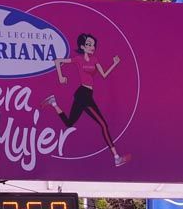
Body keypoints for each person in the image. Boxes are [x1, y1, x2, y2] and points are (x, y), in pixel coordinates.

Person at [44, 32, 129, 166]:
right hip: (83, 94)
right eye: (89, 44)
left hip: (86, 94)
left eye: (93, 45)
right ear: (82, 47)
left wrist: (114, 64)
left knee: (69, 123)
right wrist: (61, 77)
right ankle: (116, 157)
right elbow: (58, 61)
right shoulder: (78, 59)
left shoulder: (94, 59)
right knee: (103, 124)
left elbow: (104, 75)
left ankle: (53, 103)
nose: (92, 47)